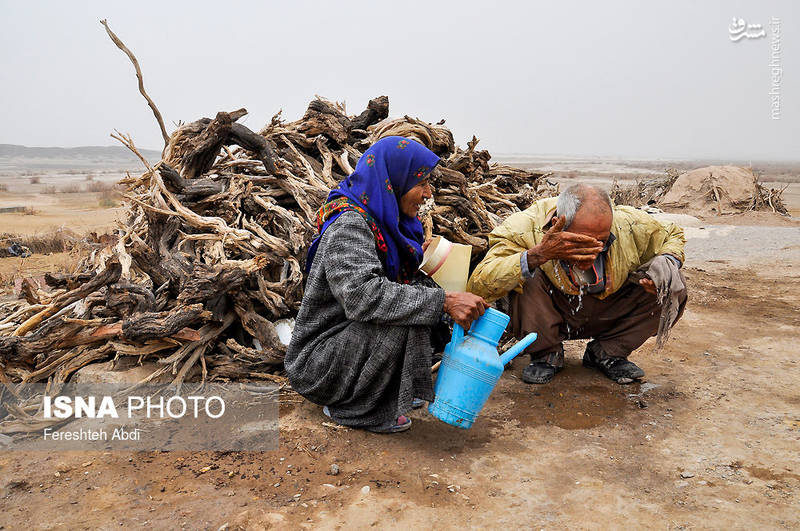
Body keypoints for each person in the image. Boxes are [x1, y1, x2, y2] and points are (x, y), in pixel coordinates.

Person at [286, 136, 487, 433]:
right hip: (318, 364)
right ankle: (355, 409)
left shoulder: (384, 223)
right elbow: (362, 296)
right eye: (422, 184)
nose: (428, 194)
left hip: (346, 343)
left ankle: (383, 394)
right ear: (393, 182)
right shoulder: (350, 225)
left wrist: (455, 306)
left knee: (416, 306)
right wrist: (442, 302)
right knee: (406, 314)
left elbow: (406, 285)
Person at [467, 184, 687, 385]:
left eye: (601, 242)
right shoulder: (524, 227)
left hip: (608, 310)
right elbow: (479, 284)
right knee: (526, 272)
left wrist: (666, 264)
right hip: (550, 312)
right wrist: (538, 255)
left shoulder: (629, 224)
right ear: (557, 225)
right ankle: (546, 353)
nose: (592, 252)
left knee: (673, 282)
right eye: (580, 243)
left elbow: (673, 234)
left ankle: (607, 352)